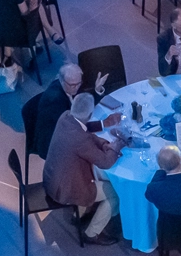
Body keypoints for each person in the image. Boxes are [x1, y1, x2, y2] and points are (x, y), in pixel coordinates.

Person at [43, 93, 124, 244]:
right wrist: (116, 146)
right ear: (90, 114)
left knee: (100, 176)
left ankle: (80, 214)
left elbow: (85, 131)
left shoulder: (66, 116)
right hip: (65, 189)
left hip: (52, 178)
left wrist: (103, 144)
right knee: (115, 193)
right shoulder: (79, 139)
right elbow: (105, 162)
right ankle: (92, 233)